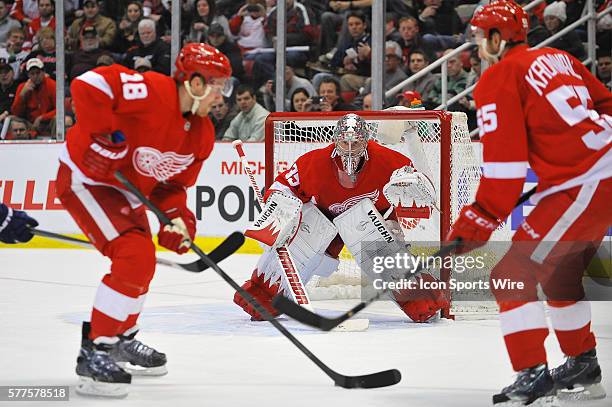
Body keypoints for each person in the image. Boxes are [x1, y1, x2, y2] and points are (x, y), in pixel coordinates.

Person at [446, 2, 612, 405]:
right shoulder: (559, 56)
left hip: (589, 182)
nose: (477, 46)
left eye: (480, 36)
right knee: (559, 272)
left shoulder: (499, 78)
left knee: (511, 271)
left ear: (497, 38)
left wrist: (474, 225)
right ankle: (581, 365)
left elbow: (505, 172)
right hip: (591, 177)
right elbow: (605, 104)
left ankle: (532, 375)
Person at [54, 42, 231, 398]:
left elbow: (171, 187)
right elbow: (89, 84)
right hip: (86, 179)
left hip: (123, 190)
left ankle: (120, 338)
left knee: (142, 262)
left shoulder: (201, 134)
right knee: (134, 255)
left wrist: (177, 219)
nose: (221, 95)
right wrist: (102, 137)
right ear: (195, 83)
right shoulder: (151, 90)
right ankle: (96, 351)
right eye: (218, 84)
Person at [234, 112, 449, 323]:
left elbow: (425, 188)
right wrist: (278, 209)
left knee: (382, 248)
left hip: (374, 223)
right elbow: (283, 186)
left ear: (366, 141)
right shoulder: (315, 162)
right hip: (324, 224)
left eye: (354, 143)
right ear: (334, 140)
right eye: (343, 142)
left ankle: (420, 297)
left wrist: (416, 184)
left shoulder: (387, 160)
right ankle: (264, 292)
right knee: (301, 239)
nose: (348, 149)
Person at [11, 57, 55, 136]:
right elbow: (15, 112)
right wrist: (22, 95)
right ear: (28, 75)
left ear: (43, 72)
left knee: (59, 119)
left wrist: (42, 117)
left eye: (38, 73)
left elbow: (60, 110)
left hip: (47, 122)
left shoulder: (52, 85)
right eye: (32, 73)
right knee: (10, 119)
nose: (35, 76)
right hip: (29, 123)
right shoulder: (22, 87)